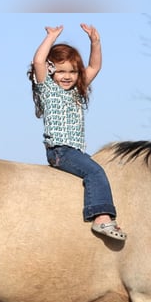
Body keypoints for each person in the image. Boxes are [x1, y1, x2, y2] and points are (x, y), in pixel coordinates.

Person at [29, 24, 127, 241]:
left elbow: (94, 66)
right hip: (60, 151)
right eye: (61, 71)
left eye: (73, 71)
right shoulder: (48, 89)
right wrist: (51, 37)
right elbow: (38, 62)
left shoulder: (77, 92)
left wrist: (95, 42)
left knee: (97, 171)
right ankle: (101, 219)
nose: (67, 76)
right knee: (95, 172)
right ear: (52, 71)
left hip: (76, 151)